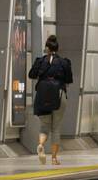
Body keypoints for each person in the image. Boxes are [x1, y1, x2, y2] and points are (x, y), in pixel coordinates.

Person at [29, 35, 74, 165]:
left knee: (44, 127)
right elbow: (69, 80)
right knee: (56, 128)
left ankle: (41, 144)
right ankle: (54, 158)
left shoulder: (40, 61)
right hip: (59, 95)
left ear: (46, 48)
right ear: (57, 48)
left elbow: (31, 75)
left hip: (42, 95)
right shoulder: (64, 62)